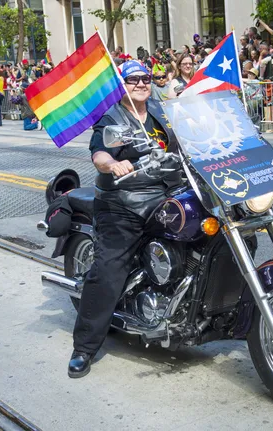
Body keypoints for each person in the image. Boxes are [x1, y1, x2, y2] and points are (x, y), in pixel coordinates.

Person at [68, 61, 179, 378]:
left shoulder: (159, 111)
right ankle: (85, 347)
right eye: (133, 79)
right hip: (122, 202)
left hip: (164, 193)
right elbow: (100, 153)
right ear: (121, 84)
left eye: (145, 78)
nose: (141, 84)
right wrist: (111, 165)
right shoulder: (113, 118)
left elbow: (187, 136)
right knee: (109, 269)